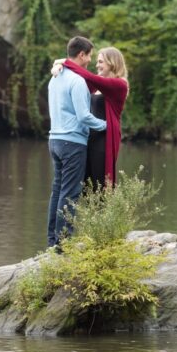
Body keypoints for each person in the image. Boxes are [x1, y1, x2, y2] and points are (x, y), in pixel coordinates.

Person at [46, 36, 107, 250]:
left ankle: (53, 242)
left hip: (54, 140)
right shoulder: (77, 80)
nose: (90, 60)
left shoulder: (55, 78)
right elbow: (83, 116)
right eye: (89, 55)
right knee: (70, 193)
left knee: (57, 191)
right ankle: (64, 244)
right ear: (81, 54)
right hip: (72, 142)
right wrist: (106, 125)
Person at [54, 47, 129, 188]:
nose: (96, 65)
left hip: (105, 138)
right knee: (86, 183)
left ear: (112, 63)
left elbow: (88, 76)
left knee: (100, 182)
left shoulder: (120, 85)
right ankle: (88, 210)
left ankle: (102, 210)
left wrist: (65, 61)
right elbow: (75, 80)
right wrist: (60, 67)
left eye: (100, 62)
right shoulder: (96, 86)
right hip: (89, 136)